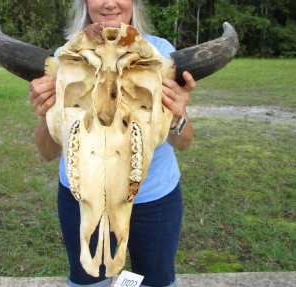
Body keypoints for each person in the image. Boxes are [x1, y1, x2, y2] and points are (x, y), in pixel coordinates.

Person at [29, 0, 195, 286]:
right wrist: (48, 114)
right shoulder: (64, 60)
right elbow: (47, 152)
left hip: (153, 197)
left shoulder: (160, 53)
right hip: (82, 195)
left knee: (156, 281)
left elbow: (183, 142)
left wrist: (177, 114)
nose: (109, 3)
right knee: (88, 282)